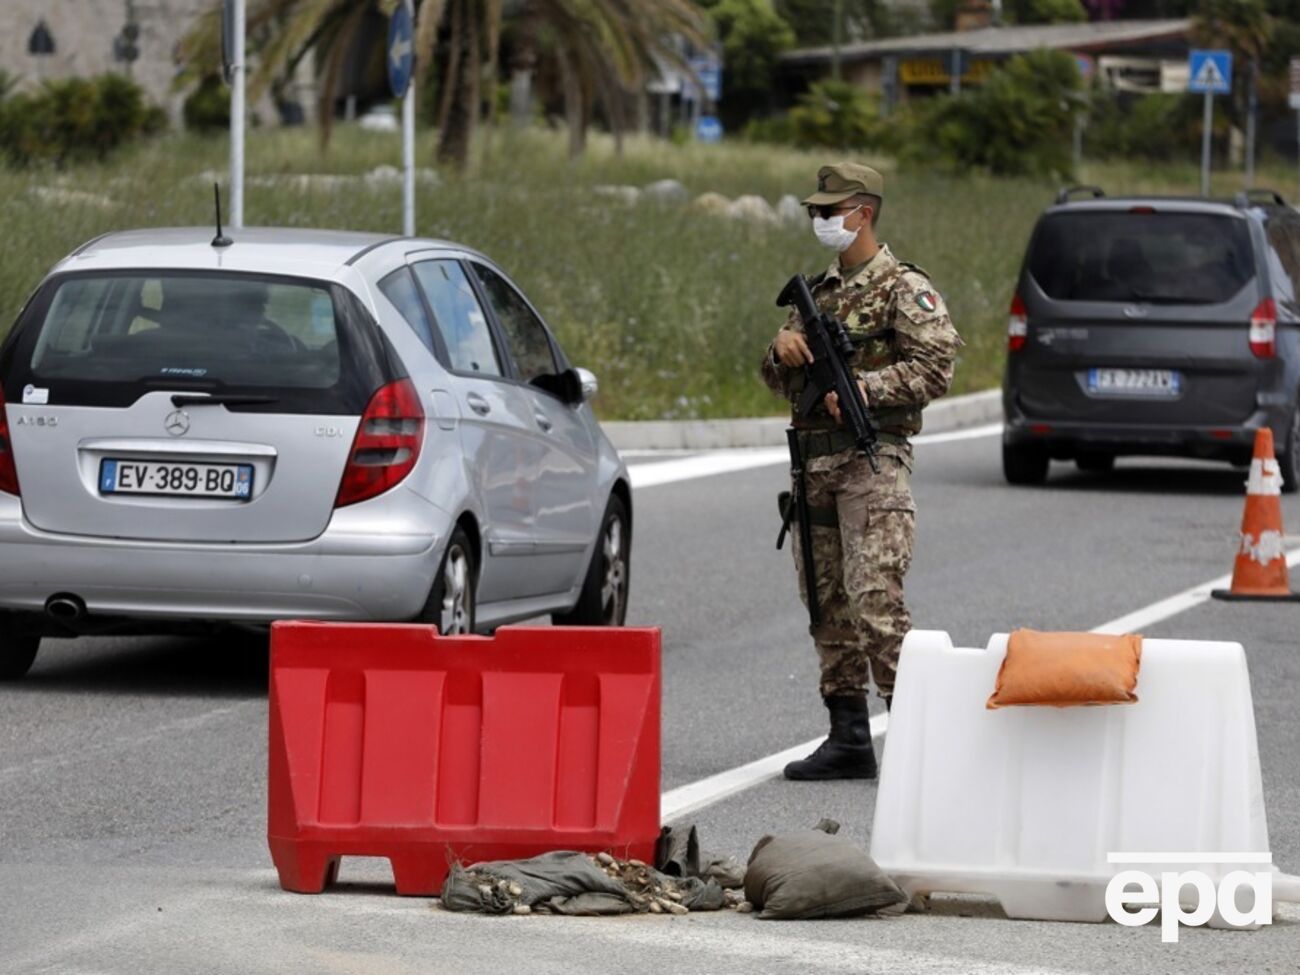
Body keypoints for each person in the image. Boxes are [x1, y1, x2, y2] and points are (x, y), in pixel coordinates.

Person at [761, 162, 963, 781]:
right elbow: (775, 380)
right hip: (813, 464)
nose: (820, 221)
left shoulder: (905, 287)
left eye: (829, 211)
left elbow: (936, 370)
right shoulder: (816, 294)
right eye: (815, 213)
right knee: (827, 604)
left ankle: (916, 738)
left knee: (876, 598)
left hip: (871, 461)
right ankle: (848, 734)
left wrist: (864, 389)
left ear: (862, 213)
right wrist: (781, 351)